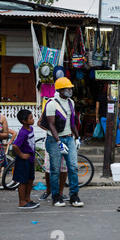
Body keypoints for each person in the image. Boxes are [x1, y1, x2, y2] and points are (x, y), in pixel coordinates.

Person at [44, 77, 84, 207]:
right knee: (55, 169)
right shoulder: (51, 104)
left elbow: (72, 123)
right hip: (54, 140)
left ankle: (74, 196)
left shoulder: (71, 102)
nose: (70, 90)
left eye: (70, 88)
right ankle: (56, 197)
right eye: (68, 88)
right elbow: (51, 125)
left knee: (73, 167)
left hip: (69, 138)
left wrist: (77, 137)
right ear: (60, 90)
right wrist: (58, 142)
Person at [12, 109, 39, 209]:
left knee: (30, 179)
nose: (33, 119)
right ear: (24, 121)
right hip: (23, 161)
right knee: (23, 181)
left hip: (30, 159)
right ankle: (22, 202)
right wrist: (21, 155)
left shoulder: (30, 129)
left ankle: (27, 198)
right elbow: (15, 145)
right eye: (31, 118)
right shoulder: (23, 132)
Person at [95, 82, 120, 147]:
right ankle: (117, 142)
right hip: (113, 117)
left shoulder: (100, 96)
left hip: (103, 117)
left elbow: (97, 107)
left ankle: (109, 143)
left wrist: (96, 117)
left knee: (107, 131)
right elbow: (117, 107)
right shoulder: (113, 96)